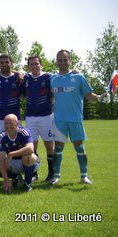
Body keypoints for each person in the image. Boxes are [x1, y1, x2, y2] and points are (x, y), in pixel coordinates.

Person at [49, 49, 104, 185]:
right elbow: (49, 95)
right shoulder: (52, 79)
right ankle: (56, 176)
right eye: (60, 60)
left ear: (70, 61)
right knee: (58, 149)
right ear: (56, 61)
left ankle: (84, 176)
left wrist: (99, 98)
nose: (62, 62)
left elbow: (88, 94)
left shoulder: (79, 77)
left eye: (65, 60)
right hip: (59, 120)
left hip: (75, 119)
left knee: (79, 148)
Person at [22, 56, 54, 181]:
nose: (34, 66)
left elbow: (63, 77)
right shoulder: (26, 78)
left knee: (49, 146)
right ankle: (34, 173)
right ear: (28, 66)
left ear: (41, 65)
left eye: (36, 64)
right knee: (31, 147)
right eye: (31, 64)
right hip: (30, 118)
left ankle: (51, 173)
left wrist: (73, 71)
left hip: (46, 116)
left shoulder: (49, 77)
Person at [0, 114, 40, 192]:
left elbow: (30, 149)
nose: (8, 126)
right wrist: (6, 179)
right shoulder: (2, 136)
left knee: (28, 156)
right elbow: (1, 159)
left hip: (31, 162)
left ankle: (27, 184)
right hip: (14, 163)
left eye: (11, 123)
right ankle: (16, 177)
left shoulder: (23, 132)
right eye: (6, 123)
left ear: (17, 123)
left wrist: (11, 154)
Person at [0, 54, 22, 135]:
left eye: (7, 62)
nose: (4, 64)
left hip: (15, 118)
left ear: (11, 63)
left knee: (17, 144)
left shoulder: (18, 78)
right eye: (1, 62)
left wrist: (19, 72)